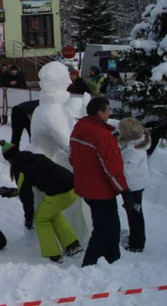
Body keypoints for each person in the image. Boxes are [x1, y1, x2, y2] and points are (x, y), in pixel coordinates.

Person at [69, 96, 134, 267]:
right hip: (100, 191)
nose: (109, 114)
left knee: (112, 226)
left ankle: (113, 261)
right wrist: (125, 191)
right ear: (100, 112)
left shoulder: (79, 128)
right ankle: (88, 265)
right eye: (107, 111)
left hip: (86, 187)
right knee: (104, 231)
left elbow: (72, 158)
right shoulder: (102, 136)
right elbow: (112, 169)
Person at [0, 140, 82, 262]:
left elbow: (26, 197)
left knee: (40, 219)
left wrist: (29, 217)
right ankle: (72, 245)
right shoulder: (33, 157)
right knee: (52, 214)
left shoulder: (20, 169)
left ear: (8, 160)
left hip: (61, 192)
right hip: (73, 185)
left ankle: (53, 254)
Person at [116, 117, 150, 253]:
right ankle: (137, 238)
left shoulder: (132, 152)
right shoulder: (141, 138)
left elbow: (127, 173)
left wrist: (115, 163)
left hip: (133, 186)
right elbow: (116, 124)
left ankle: (137, 243)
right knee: (136, 212)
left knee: (134, 213)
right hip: (139, 181)